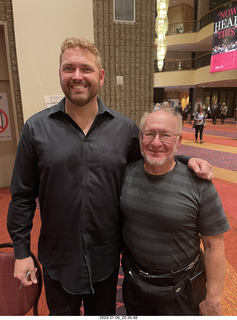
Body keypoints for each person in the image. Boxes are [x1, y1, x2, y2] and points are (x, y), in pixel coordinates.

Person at [7, 37, 213, 316]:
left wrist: (186, 159)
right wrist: (21, 252)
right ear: (60, 74)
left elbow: (151, 162)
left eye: (86, 69)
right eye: (69, 68)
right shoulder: (36, 129)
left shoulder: (125, 130)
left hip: (106, 261)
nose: (77, 76)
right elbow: (21, 197)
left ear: (101, 76)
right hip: (57, 259)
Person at [120, 108, 230, 316]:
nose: (156, 142)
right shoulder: (127, 174)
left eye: (165, 135)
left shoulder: (200, 184)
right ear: (140, 137)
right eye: (149, 134)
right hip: (135, 286)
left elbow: (213, 246)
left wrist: (213, 299)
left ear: (178, 141)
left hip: (183, 291)